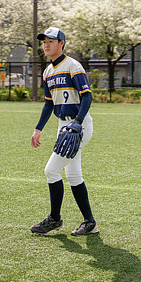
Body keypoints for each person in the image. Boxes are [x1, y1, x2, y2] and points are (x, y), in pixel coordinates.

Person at [29, 27, 98, 236]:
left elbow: (87, 96)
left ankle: (54, 219)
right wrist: (38, 129)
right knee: (73, 173)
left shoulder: (73, 66)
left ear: (62, 43)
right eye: (44, 42)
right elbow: (49, 104)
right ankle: (90, 223)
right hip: (63, 125)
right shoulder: (48, 71)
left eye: (51, 40)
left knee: (51, 170)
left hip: (79, 124)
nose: (46, 45)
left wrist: (77, 122)